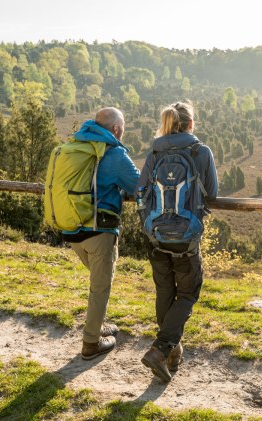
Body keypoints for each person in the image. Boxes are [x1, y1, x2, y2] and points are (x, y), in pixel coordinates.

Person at [138, 100, 218, 381]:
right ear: (191, 124)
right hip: (185, 238)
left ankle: (171, 353)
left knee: (164, 292)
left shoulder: (155, 152)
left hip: (156, 236)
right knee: (187, 293)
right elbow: (213, 192)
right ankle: (160, 350)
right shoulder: (200, 151)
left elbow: (141, 190)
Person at [63, 107, 140, 360]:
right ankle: (91, 343)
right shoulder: (115, 153)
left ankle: (98, 325)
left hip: (72, 228)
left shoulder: (78, 146)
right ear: (117, 129)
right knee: (100, 288)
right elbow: (139, 185)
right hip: (99, 229)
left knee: (98, 284)